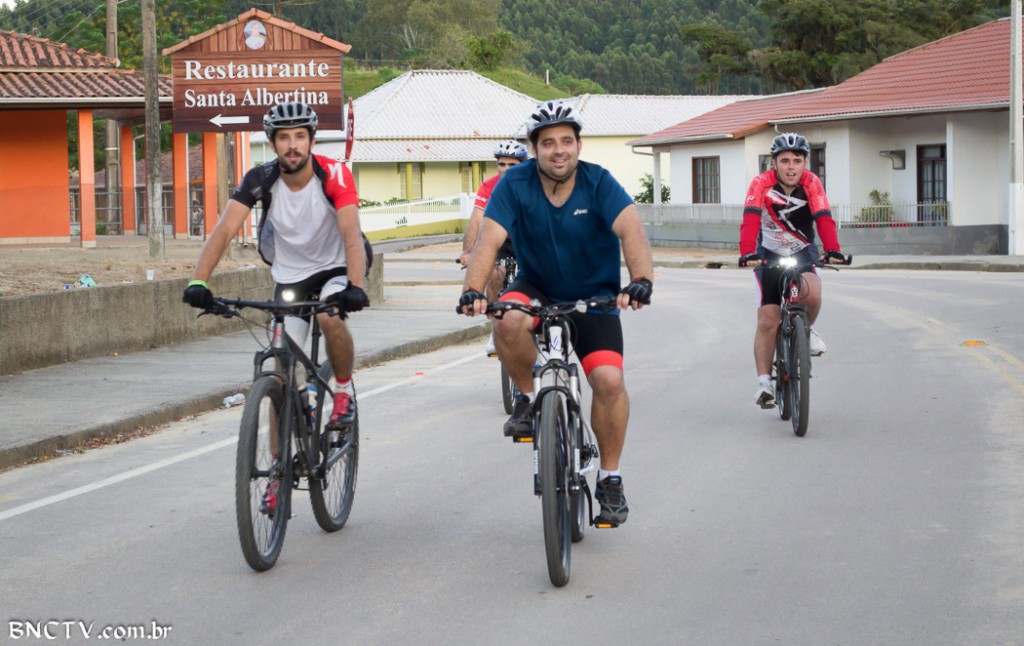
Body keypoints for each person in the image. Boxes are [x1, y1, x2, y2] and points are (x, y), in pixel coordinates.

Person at [457, 100, 654, 526]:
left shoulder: (599, 182)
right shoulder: (514, 184)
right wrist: (472, 289)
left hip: (595, 298)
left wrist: (640, 279)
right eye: (548, 143)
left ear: (579, 146)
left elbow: (632, 230)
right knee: (506, 317)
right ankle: (529, 399)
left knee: (609, 382)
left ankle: (610, 478)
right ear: (535, 149)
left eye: (566, 141)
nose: (558, 150)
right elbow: (488, 241)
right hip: (538, 288)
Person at [183, 101, 369, 433]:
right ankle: (276, 462)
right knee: (276, 367)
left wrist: (355, 286)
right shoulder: (260, 179)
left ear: (312, 140)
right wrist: (199, 282)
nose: (292, 145)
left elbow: (351, 231)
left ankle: (343, 392)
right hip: (292, 275)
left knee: (329, 317)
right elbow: (225, 230)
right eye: (284, 137)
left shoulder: (335, 174)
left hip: (336, 267)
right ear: (272, 143)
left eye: (300, 136)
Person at [738, 132, 846, 409]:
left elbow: (823, 217)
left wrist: (833, 249)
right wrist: (747, 252)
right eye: (784, 161)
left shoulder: (812, 182)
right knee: (768, 320)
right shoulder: (761, 183)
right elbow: (750, 218)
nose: (790, 167)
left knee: (813, 293)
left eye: (797, 161)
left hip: (802, 250)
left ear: (805, 163)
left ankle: (806, 331)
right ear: (774, 163)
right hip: (768, 253)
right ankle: (764, 384)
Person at [459, 139, 529, 356]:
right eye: (502, 164)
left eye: (512, 165)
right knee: (495, 273)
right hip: (500, 238)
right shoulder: (489, 186)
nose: (505, 169)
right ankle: (495, 327)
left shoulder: (532, 184)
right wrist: (468, 251)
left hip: (526, 238)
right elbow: (476, 219)